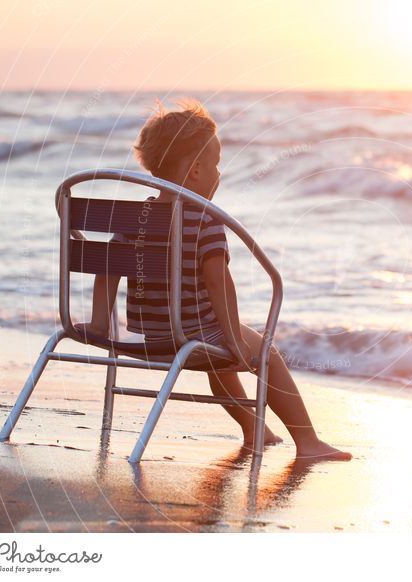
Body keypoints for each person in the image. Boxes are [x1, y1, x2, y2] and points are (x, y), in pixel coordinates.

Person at [77, 99, 351, 462]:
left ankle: (254, 428)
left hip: (155, 334)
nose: (219, 173)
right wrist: (234, 339)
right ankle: (308, 442)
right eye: (216, 165)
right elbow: (218, 282)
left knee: (220, 365)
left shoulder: (137, 216)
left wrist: (100, 321)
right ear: (194, 172)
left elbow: (108, 265)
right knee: (264, 354)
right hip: (193, 333)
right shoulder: (205, 220)